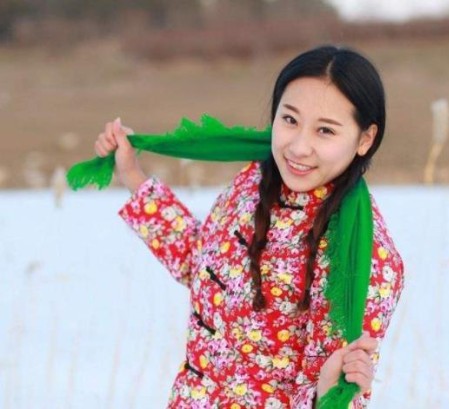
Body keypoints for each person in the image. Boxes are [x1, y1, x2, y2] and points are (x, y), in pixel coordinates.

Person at [94, 45, 405, 408]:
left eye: (325, 131)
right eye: (290, 120)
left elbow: (337, 393)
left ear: (365, 139)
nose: (299, 147)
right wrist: (132, 175)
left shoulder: (361, 258)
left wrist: (327, 392)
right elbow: (200, 261)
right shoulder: (256, 182)